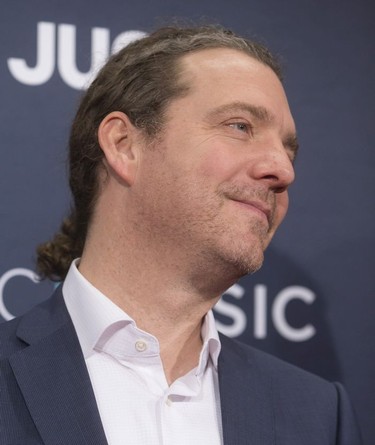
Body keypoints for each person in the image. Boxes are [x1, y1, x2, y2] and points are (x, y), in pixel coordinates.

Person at [0, 25, 362, 444]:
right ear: (123, 144)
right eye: (240, 127)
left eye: (288, 150)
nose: (284, 171)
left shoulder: (318, 416)